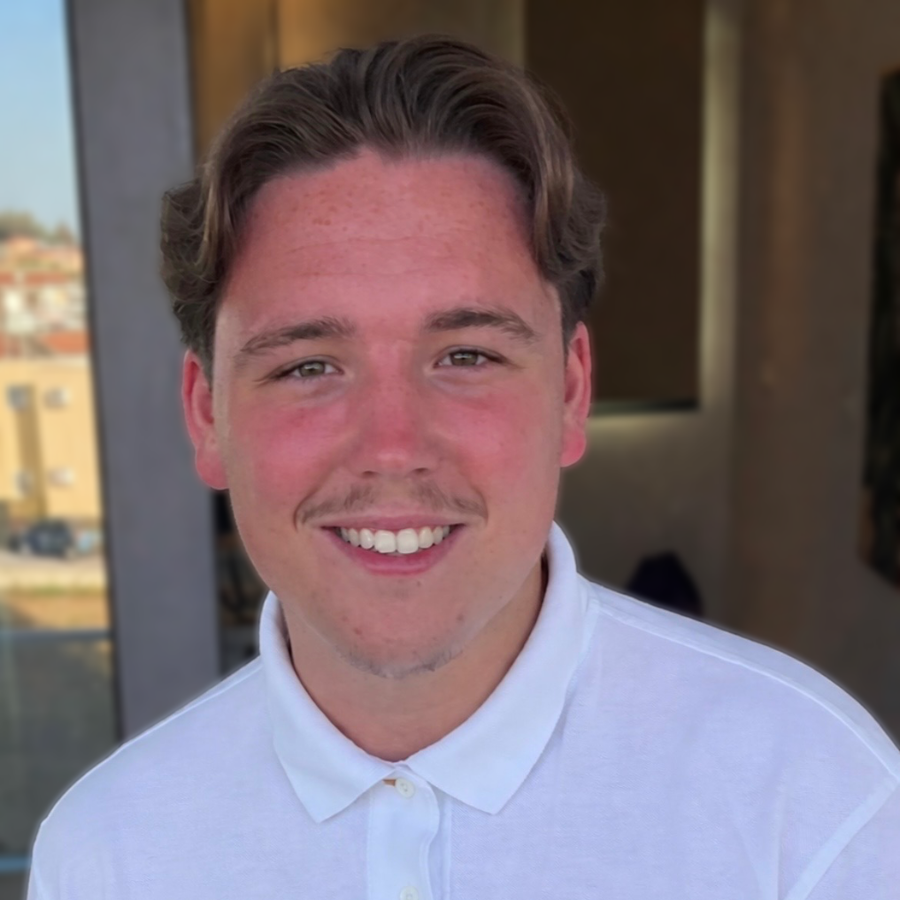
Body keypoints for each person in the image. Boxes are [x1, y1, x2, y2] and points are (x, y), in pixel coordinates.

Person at [27, 35, 900, 899]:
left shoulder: (816, 805)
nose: (392, 447)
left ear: (570, 390)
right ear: (207, 413)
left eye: (467, 355)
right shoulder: (106, 853)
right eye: (307, 366)